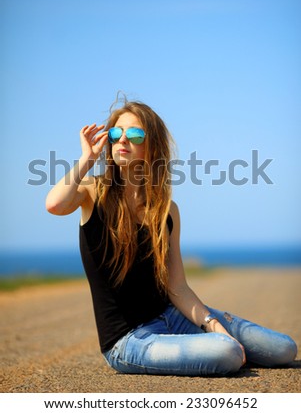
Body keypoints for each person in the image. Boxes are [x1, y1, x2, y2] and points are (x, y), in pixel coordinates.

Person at [46, 97, 297, 376]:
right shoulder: (93, 192)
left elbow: (177, 287)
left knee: (284, 349)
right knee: (226, 352)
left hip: (173, 318)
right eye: (116, 134)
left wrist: (213, 325)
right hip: (129, 342)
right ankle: (216, 353)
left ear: (152, 146)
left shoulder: (166, 210)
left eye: (135, 135)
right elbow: (55, 205)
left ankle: (212, 349)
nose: (122, 140)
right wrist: (86, 159)